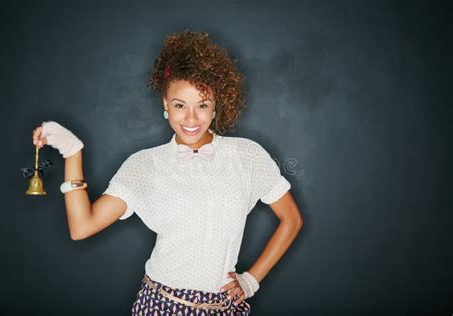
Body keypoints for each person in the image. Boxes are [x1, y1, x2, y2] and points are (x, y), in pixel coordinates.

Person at [32, 30, 303, 315]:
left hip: (225, 308)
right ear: (165, 104)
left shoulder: (247, 155)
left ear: (215, 107)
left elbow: (292, 219)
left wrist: (250, 281)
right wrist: (72, 152)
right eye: (179, 106)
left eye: (202, 105)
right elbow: (82, 227)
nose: (190, 119)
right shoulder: (143, 165)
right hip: (161, 305)